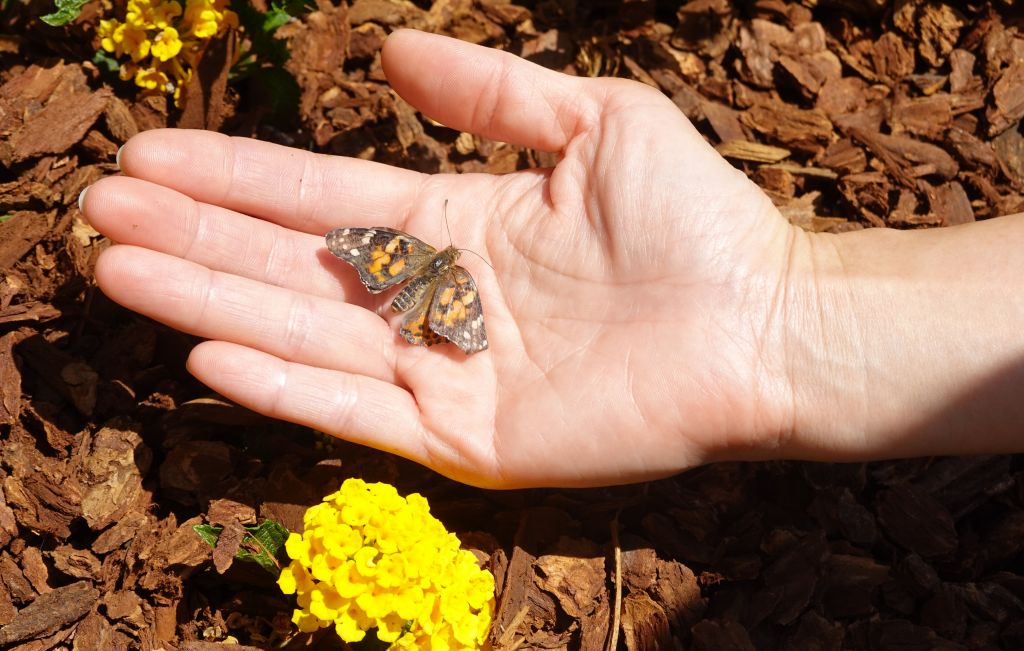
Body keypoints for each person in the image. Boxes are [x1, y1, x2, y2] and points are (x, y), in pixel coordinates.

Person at [79, 29, 1024, 490]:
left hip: (428, 296)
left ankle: (425, 319)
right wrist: (785, 313)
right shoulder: (442, 267)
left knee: (422, 296)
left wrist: (776, 312)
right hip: (439, 301)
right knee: (430, 300)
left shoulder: (419, 261)